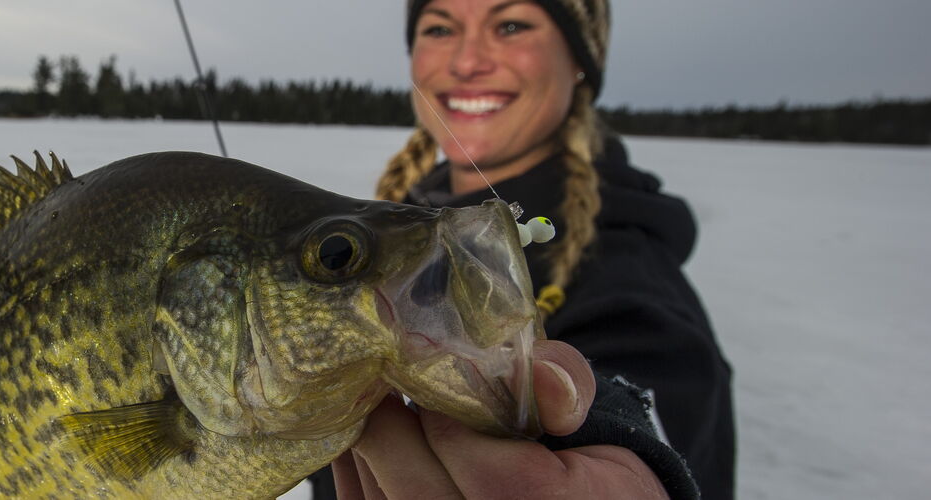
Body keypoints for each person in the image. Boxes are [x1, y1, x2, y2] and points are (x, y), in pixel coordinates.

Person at [315, 0, 737, 498]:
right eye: (439, 28)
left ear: (581, 62)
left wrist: (626, 453)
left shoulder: (627, 264)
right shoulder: (367, 241)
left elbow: (658, 394)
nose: (467, 61)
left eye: (511, 25)